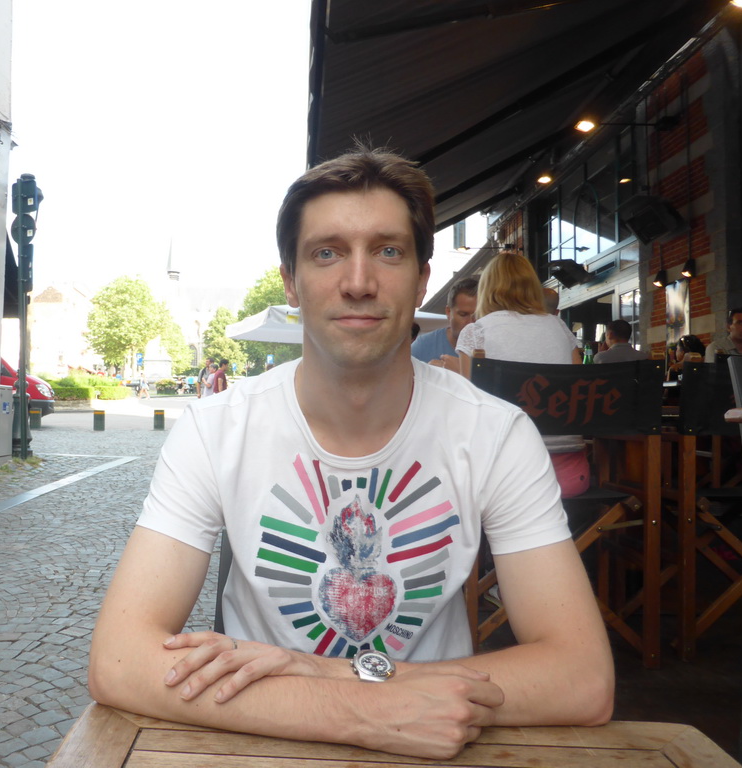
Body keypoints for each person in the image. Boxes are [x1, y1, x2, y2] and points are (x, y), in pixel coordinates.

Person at [89, 147, 613, 761]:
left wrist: (324, 674)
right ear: (291, 279)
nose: (358, 282)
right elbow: (120, 661)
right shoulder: (215, 428)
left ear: (422, 278)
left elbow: (583, 678)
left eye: (388, 251)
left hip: (437, 743)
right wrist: (365, 710)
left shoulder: (495, 433)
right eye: (327, 252)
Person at [454, 250, 589, 498]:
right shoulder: (559, 327)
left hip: (501, 478)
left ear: (487, 289)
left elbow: (467, 409)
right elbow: (578, 388)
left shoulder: (476, 332)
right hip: (568, 473)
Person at [410, 275, 478, 370]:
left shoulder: (495, 349)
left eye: (478, 316)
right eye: (463, 314)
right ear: (448, 312)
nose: (471, 322)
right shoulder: (422, 346)